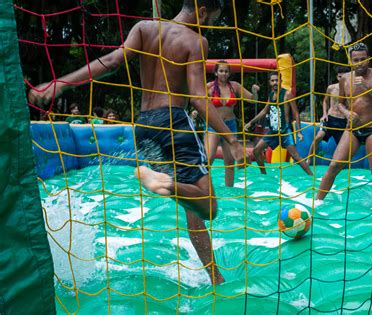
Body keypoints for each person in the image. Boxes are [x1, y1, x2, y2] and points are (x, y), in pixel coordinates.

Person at [28, 0, 245, 285]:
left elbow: (112, 62)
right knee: (208, 206)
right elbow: (198, 97)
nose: (211, 26)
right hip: (174, 123)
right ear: (202, 12)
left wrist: (61, 83)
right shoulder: (196, 40)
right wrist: (232, 139)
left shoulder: (144, 27)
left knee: (191, 199)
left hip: (143, 128)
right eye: (212, 20)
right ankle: (162, 184)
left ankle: (215, 277)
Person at [315, 42, 372, 205]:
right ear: (350, 61)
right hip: (352, 129)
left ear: (369, 59)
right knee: (334, 165)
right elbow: (340, 103)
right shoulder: (345, 79)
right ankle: (317, 203)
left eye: (363, 59)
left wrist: (367, 87)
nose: (360, 62)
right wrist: (347, 113)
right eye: (356, 60)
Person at [244, 72, 313, 176]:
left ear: (281, 81)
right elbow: (264, 111)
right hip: (273, 131)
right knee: (256, 150)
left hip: (285, 130)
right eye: (273, 81)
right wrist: (250, 122)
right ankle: (264, 175)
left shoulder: (287, 94)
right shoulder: (271, 95)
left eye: (277, 80)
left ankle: (311, 176)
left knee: (295, 155)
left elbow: (296, 113)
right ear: (269, 82)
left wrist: (299, 132)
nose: (275, 82)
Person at [205, 60, 259, 187]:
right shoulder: (209, 87)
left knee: (229, 161)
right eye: (221, 71)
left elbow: (253, 100)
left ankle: (229, 189)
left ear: (229, 73)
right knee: (209, 159)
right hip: (214, 125)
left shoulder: (235, 86)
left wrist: (255, 92)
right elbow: (199, 102)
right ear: (216, 73)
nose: (223, 74)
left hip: (230, 125)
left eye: (226, 71)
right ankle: (204, 188)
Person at [308, 66, 350, 164]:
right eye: (340, 77)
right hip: (330, 118)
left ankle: (341, 164)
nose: (341, 79)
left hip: (342, 121)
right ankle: (309, 158)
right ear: (337, 77)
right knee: (318, 137)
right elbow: (325, 101)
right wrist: (324, 114)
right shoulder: (331, 88)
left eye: (344, 77)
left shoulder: (350, 90)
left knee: (343, 145)